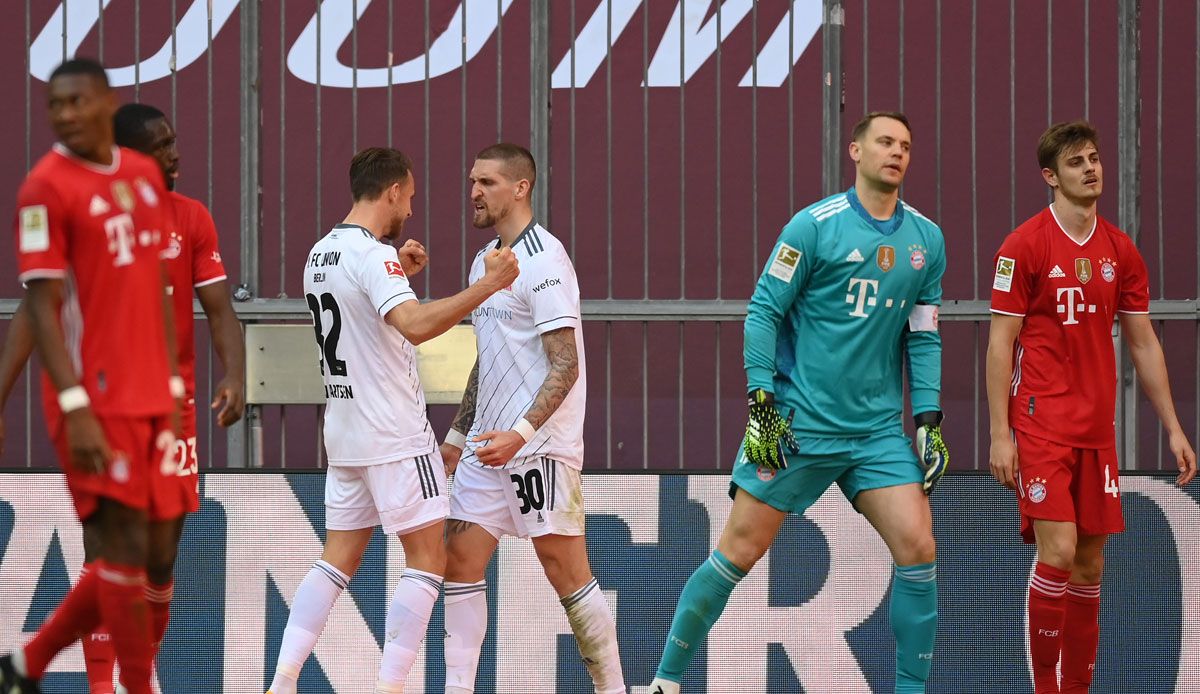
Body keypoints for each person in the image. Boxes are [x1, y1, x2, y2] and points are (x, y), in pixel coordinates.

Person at [648, 112, 948, 694]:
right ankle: (665, 682)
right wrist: (761, 404)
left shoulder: (926, 240)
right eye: (885, 142)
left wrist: (928, 419)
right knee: (738, 551)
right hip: (797, 424)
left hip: (875, 433)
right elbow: (764, 312)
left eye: (906, 146)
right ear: (855, 151)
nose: (897, 153)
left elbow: (924, 333)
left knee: (919, 548)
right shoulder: (813, 226)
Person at [0, 101, 246, 693]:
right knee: (111, 550)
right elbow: (37, 309)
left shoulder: (191, 218)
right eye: (162, 146)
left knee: (158, 559)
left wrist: (235, 374)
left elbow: (220, 311)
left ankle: (54, 666)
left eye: (174, 141)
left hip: (172, 409)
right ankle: (104, 685)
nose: (176, 154)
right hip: (103, 407)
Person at [265, 147, 518, 694]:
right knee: (427, 559)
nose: (411, 209)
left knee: (336, 559)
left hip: (346, 433)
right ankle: (391, 686)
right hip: (396, 432)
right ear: (393, 191)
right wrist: (487, 285)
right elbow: (416, 325)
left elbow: (358, 314)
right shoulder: (373, 255)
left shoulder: (321, 252)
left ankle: (282, 682)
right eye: (410, 197)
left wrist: (396, 270)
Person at [986, 120, 1196, 694]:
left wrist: (1174, 428)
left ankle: (1077, 688)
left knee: (1089, 565)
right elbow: (1000, 342)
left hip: (1096, 432)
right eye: (1076, 162)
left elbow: (1143, 342)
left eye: (1094, 158)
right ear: (1051, 177)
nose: (1091, 169)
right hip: (1040, 424)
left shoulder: (1120, 250)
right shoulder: (1024, 245)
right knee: (1056, 551)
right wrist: (1001, 433)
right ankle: (1046, 689)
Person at [439, 143, 626, 694]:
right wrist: (457, 436)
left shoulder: (545, 260)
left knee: (565, 571)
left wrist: (520, 436)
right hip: (485, 446)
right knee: (459, 560)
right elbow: (489, 358)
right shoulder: (485, 260)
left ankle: (613, 689)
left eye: (487, 182)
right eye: (472, 181)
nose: (474, 192)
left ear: (521, 188)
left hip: (538, 448)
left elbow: (566, 364)